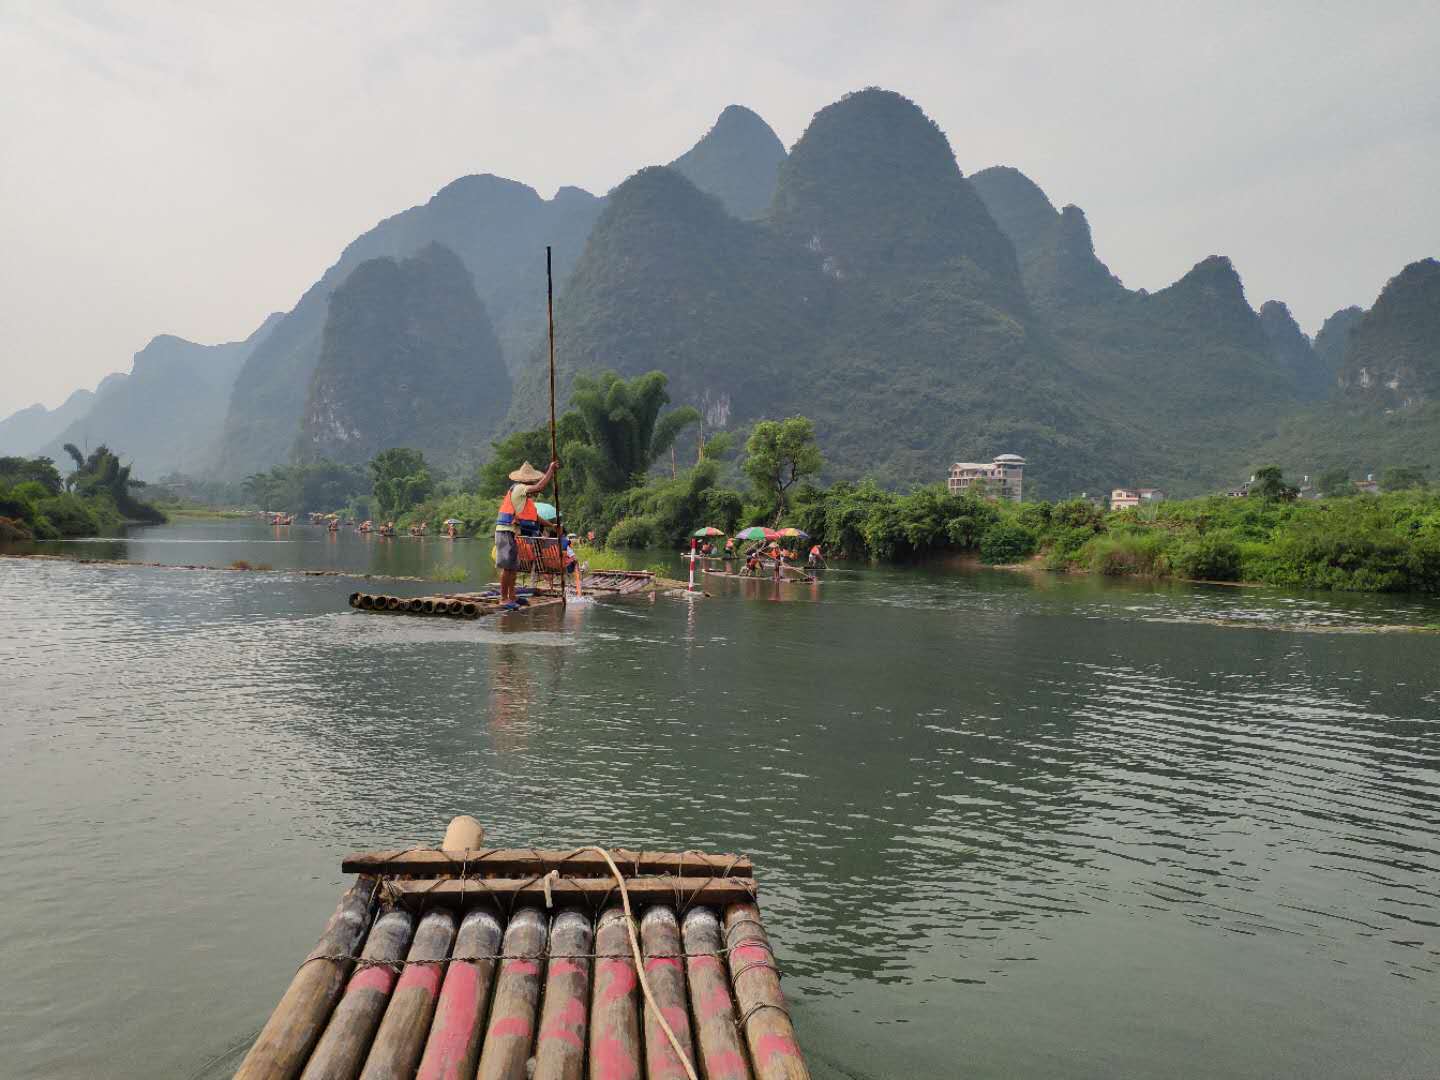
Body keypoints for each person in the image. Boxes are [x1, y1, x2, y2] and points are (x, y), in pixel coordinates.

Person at [495, 459, 558, 609]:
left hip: (512, 533)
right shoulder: (520, 488)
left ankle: (512, 597)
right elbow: (540, 486)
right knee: (507, 566)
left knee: (513, 566)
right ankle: (504, 598)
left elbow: (535, 517)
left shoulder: (525, 498)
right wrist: (551, 469)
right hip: (505, 531)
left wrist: (552, 525)